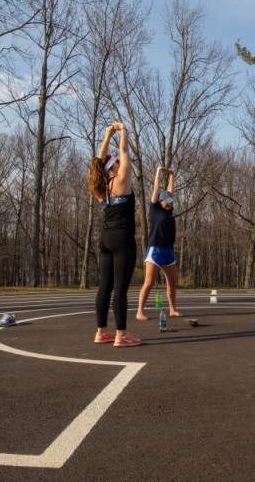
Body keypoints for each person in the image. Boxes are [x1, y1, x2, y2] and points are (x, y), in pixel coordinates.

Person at [87, 121, 141, 347]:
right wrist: (124, 131)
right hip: (122, 239)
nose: (120, 162)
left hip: (105, 239)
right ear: (114, 167)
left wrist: (108, 135)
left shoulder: (100, 188)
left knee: (105, 286)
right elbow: (125, 150)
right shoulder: (121, 181)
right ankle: (121, 335)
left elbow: (98, 163)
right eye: (117, 162)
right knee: (120, 288)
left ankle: (101, 331)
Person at [136, 166, 181, 320]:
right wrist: (159, 171)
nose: (169, 203)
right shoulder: (154, 210)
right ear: (160, 201)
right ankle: (140, 311)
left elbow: (170, 189)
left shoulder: (169, 211)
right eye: (166, 201)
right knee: (149, 282)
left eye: (170, 201)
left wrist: (172, 175)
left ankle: (172, 309)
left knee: (172, 283)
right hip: (155, 250)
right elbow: (156, 188)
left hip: (168, 251)